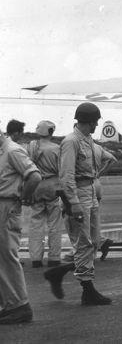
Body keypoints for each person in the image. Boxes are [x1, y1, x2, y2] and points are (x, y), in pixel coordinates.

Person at [43, 103, 114, 306]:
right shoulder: (71, 142)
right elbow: (66, 177)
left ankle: (59, 273)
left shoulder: (88, 140)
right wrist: (73, 203)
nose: (97, 124)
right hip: (78, 195)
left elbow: (107, 160)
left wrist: (94, 178)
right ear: (88, 121)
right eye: (95, 121)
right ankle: (87, 291)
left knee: (92, 242)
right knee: (83, 242)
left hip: (89, 192)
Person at [0, 122, 41, 324]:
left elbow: (34, 176)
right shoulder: (4, 150)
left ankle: (20, 306)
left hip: (7, 207)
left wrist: (23, 199)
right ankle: (9, 304)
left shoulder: (12, 150)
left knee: (7, 256)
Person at [26, 121, 63, 268]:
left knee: (36, 223)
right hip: (52, 185)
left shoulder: (31, 147)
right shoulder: (56, 149)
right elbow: (62, 170)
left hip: (36, 185)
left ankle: (36, 258)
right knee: (54, 223)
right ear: (51, 131)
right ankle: (54, 257)